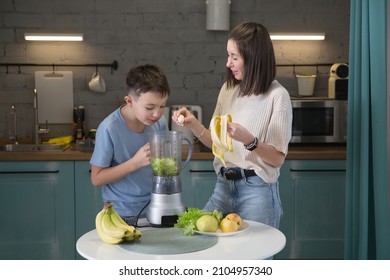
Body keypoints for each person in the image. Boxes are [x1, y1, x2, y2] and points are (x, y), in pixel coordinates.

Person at [172, 22, 292, 229]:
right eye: (228, 56)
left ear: (254, 58)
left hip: (257, 191)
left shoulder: (277, 96)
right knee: (201, 240)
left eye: (234, 57)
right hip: (223, 186)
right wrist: (193, 124)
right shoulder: (228, 89)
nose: (228, 63)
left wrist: (249, 141)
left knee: (256, 259)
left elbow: (277, 158)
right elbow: (216, 144)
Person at [90, 64, 171, 225]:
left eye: (163, 106)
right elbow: (96, 178)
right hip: (122, 215)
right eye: (149, 107)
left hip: (156, 209)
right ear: (130, 101)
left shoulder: (159, 123)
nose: (157, 114)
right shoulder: (109, 128)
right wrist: (135, 163)